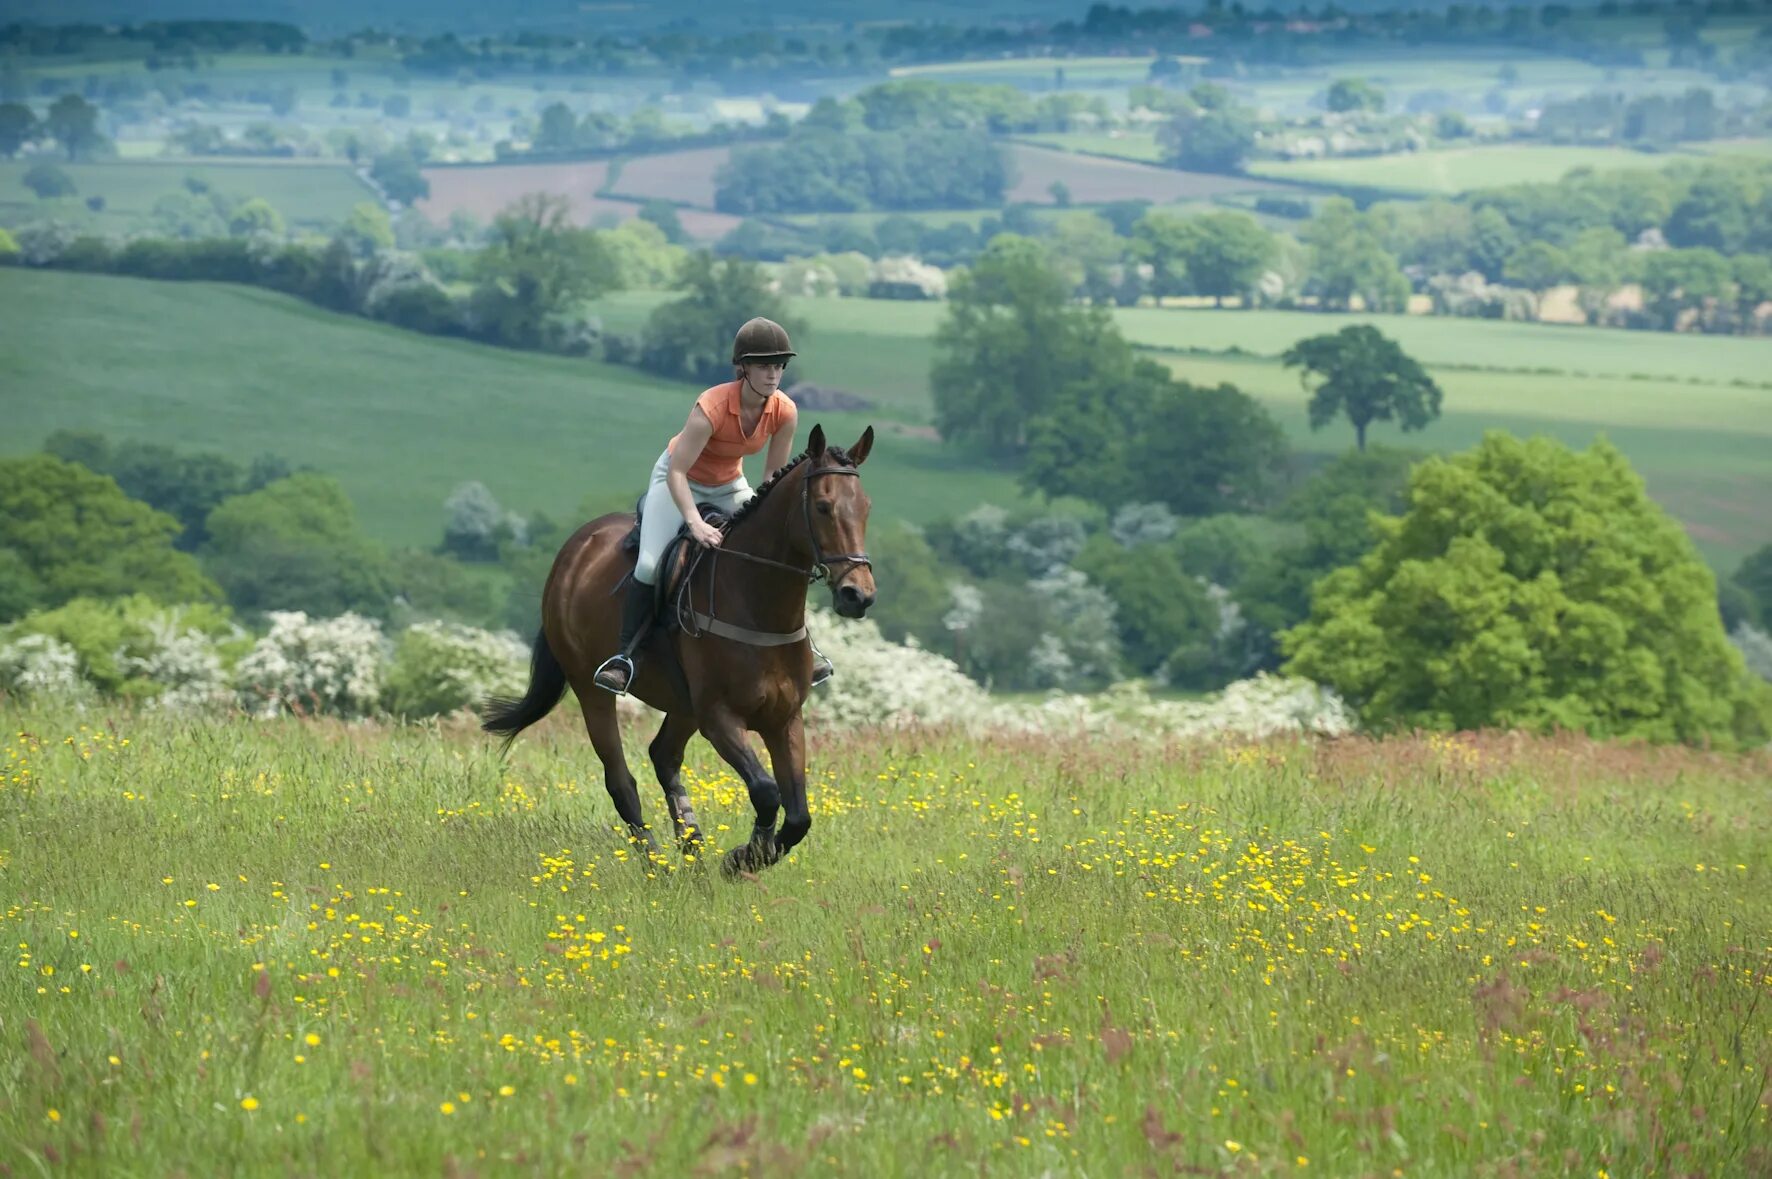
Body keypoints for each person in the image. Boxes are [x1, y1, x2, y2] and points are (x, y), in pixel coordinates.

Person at [591, 317, 836, 695]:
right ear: (744, 368)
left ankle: (804, 646)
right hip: (677, 481)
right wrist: (694, 522)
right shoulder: (712, 406)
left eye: (778, 366)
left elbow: (772, 477)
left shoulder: (785, 411)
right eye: (764, 366)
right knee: (651, 563)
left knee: (768, 553)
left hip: (728, 485)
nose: (773, 374)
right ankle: (625, 657)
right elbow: (677, 472)